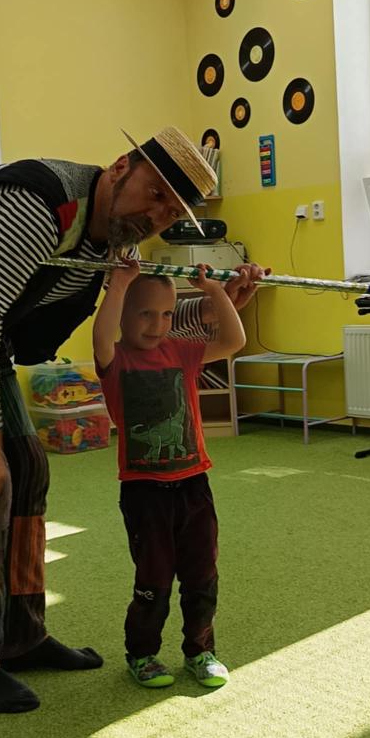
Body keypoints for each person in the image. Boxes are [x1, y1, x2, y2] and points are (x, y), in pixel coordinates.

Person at [0, 126, 266, 714]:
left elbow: (145, 319)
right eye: (154, 192)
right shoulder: (40, 203)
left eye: (171, 211)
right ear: (122, 166)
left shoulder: (107, 239)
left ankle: (23, 635)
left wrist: (222, 302)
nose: (156, 214)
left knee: (30, 471)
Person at [93, 259, 246, 688]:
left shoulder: (181, 351)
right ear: (123, 313)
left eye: (165, 314)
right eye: (145, 313)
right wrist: (119, 284)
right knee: (154, 579)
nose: (157, 324)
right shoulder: (116, 359)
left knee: (202, 575)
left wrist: (213, 290)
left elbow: (234, 340)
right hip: (145, 492)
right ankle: (142, 654)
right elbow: (100, 335)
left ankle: (201, 651)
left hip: (194, 484)